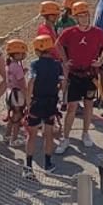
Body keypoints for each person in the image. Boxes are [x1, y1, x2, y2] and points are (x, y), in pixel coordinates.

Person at [57, 0, 103, 154]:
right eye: (80, 16)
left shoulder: (97, 32)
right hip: (74, 74)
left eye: (86, 15)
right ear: (75, 17)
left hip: (90, 74)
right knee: (72, 107)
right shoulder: (70, 32)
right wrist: (65, 60)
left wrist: (101, 61)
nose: (84, 18)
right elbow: (58, 44)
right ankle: (66, 137)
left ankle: (85, 133)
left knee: (88, 105)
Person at [24, 33, 64, 173]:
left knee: (32, 135)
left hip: (37, 102)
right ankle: (48, 164)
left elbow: (31, 81)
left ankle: (28, 167)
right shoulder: (57, 65)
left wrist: (28, 102)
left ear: (37, 50)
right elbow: (62, 83)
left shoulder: (35, 64)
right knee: (49, 134)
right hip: (51, 103)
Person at [1, 38, 30, 149]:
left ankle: (7, 135)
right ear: (16, 54)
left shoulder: (9, 65)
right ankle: (14, 139)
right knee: (17, 117)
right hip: (17, 94)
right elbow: (22, 84)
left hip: (10, 93)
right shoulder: (17, 67)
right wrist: (28, 97)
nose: (24, 55)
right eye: (22, 53)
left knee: (12, 115)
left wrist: (22, 72)